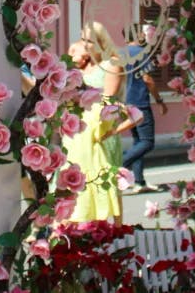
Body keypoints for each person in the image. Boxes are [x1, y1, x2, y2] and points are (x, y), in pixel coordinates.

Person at [61, 35, 138, 223]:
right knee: (79, 186)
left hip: (99, 132)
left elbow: (113, 102)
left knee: (108, 183)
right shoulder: (73, 75)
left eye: (74, 50)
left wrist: (112, 130)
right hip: (79, 138)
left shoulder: (108, 66)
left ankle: (117, 229)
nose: (69, 54)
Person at [122, 24, 168, 194]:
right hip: (140, 102)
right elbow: (148, 79)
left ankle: (139, 182)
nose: (143, 35)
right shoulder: (141, 54)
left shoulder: (120, 54)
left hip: (125, 104)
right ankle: (119, 165)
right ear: (137, 35)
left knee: (138, 141)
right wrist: (160, 100)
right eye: (141, 32)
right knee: (147, 142)